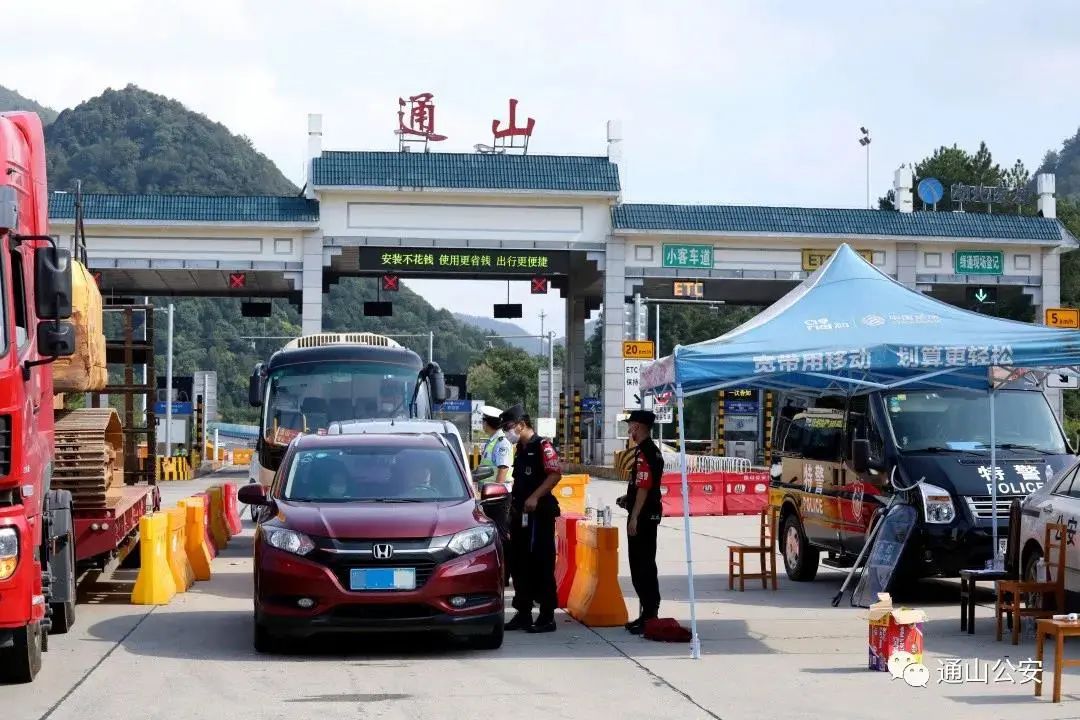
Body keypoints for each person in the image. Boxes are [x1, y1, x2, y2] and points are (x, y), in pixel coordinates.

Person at [500, 403, 561, 633]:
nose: (507, 432)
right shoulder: (521, 449)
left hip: (539, 516)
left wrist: (535, 496)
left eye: (508, 427)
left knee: (542, 563)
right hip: (520, 515)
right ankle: (523, 612)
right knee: (519, 563)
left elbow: (555, 474)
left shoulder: (543, 446)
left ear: (521, 424)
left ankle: (547, 616)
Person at [616, 409, 664, 634]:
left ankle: (650, 614)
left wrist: (634, 516)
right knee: (642, 565)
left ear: (637, 426)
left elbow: (644, 487)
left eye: (630, 425)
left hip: (643, 517)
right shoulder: (647, 450)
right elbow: (642, 486)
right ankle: (646, 614)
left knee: (642, 566)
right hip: (645, 512)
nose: (629, 430)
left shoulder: (645, 452)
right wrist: (628, 498)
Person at [478, 406, 513, 485]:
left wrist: (496, 489)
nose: (482, 424)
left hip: (496, 490)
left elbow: (503, 469)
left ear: (487, 423)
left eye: (483, 421)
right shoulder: (493, 441)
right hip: (488, 489)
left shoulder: (501, 442)